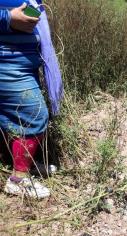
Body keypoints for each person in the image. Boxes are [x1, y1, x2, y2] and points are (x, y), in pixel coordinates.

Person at [0, 0, 63, 199]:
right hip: (7, 62)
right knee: (34, 115)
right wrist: (8, 18)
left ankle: (22, 163)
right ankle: (18, 179)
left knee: (15, 117)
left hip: (22, 62)